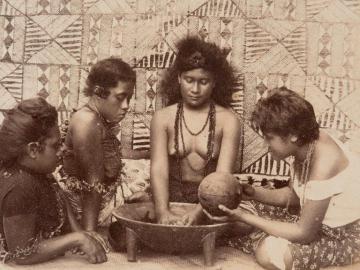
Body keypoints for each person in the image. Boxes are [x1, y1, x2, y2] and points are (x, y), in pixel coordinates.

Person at [205, 87, 360, 270]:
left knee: (269, 253)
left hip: (344, 235)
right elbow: (294, 198)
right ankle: (260, 231)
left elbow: (304, 233)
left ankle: (261, 235)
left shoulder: (325, 163)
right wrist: (253, 193)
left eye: (269, 138)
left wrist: (245, 218)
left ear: (293, 135)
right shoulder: (306, 145)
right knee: (241, 209)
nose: (266, 145)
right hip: (311, 219)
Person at [0, 97, 107, 264]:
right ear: (33, 149)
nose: (63, 149)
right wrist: (77, 239)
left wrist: (82, 234)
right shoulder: (19, 186)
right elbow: (21, 254)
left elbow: (62, 203)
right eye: (56, 145)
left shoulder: (40, 172)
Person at [150, 36, 242, 226]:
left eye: (203, 81)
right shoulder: (162, 118)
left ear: (215, 82)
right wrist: (162, 212)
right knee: (133, 218)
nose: (195, 89)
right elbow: (158, 169)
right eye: (189, 80)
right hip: (170, 200)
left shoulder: (228, 120)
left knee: (242, 224)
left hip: (212, 204)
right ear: (178, 78)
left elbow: (224, 176)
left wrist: (198, 213)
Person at [60, 57, 143, 232]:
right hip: (87, 210)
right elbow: (93, 184)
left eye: (129, 98)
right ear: (98, 92)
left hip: (102, 201)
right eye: (120, 98)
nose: (126, 106)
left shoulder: (97, 119)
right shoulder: (87, 121)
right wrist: (90, 235)